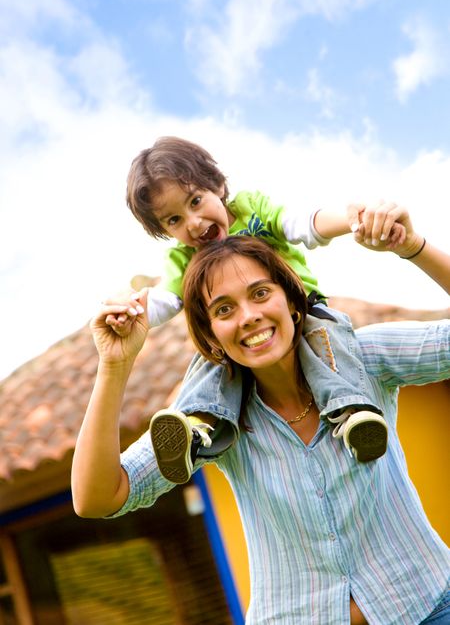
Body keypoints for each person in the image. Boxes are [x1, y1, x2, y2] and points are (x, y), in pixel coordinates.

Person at [72, 214, 450, 625]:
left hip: (428, 605)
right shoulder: (206, 423)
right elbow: (97, 497)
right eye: (224, 309)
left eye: (260, 293)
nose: (248, 316)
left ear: (291, 299)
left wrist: (413, 247)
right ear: (212, 334)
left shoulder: (363, 359)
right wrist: (114, 365)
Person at [118, 136, 404, 482]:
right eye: (174, 220)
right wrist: (133, 313)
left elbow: (301, 224)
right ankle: (197, 429)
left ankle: (354, 412)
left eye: (195, 201)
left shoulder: (253, 210)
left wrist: (351, 219)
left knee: (330, 340)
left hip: (304, 309)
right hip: (246, 342)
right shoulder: (182, 258)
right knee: (211, 364)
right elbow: (167, 300)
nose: (192, 223)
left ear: (219, 186)